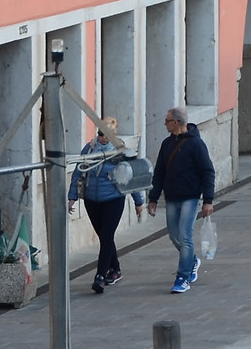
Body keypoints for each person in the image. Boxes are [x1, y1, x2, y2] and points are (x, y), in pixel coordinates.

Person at [141, 106, 215, 294]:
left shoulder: (196, 144)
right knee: (174, 235)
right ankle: (192, 260)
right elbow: (159, 172)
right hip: (172, 197)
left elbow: (207, 172)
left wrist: (208, 200)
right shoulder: (166, 144)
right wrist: (153, 198)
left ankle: (183, 277)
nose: (164, 124)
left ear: (176, 122)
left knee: (185, 235)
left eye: (167, 121)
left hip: (190, 197)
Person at [69, 116, 130, 293]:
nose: (103, 137)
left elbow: (130, 176)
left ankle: (100, 276)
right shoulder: (89, 149)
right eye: (101, 133)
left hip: (113, 199)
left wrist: (139, 201)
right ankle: (115, 269)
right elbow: (78, 172)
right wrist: (72, 197)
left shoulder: (119, 151)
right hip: (92, 200)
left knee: (107, 236)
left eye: (107, 134)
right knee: (105, 237)